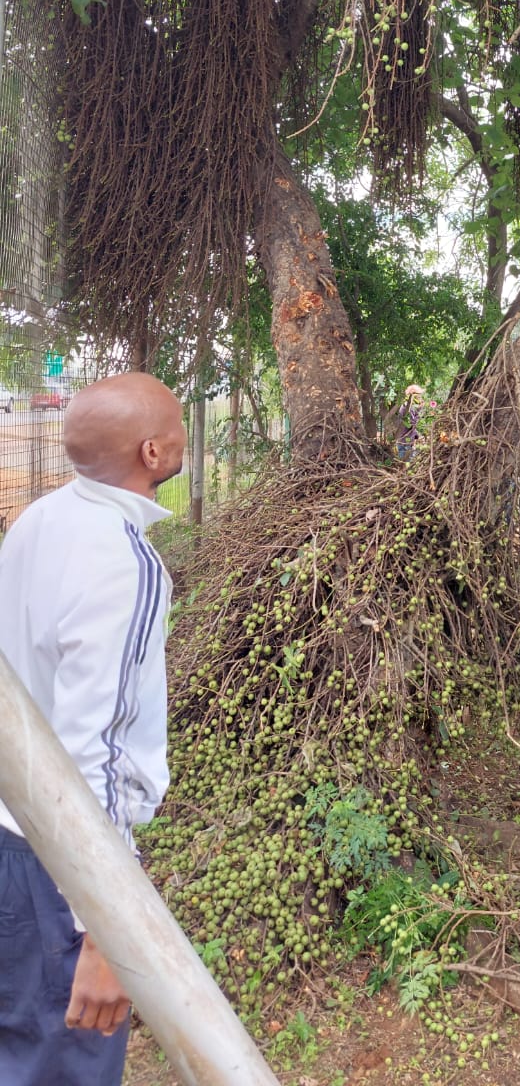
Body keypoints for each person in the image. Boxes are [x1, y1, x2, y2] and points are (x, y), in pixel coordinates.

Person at [0, 372, 186, 1086]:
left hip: (13, 845)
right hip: (56, 869)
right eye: (175, 430)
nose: (180, 443)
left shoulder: (39, 520)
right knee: (61, 1066)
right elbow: (93, 749)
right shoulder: (125, 562)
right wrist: (108, 928)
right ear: (151, 452)